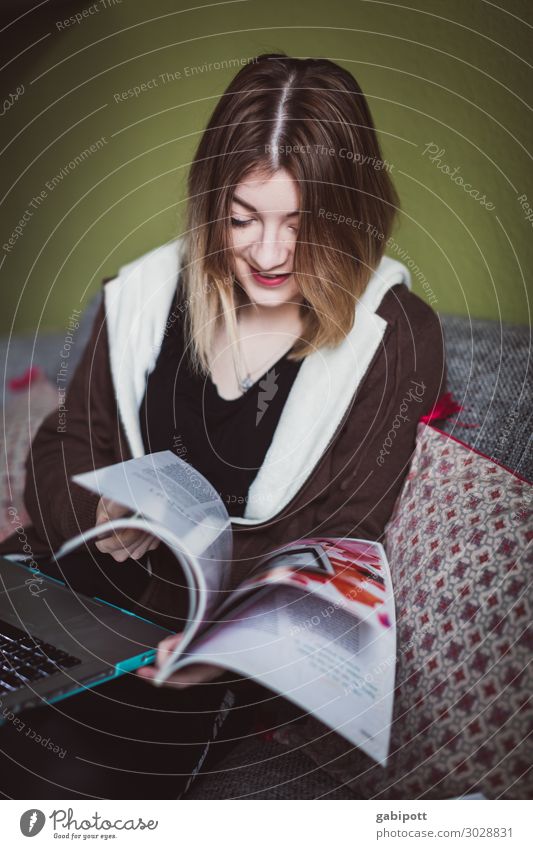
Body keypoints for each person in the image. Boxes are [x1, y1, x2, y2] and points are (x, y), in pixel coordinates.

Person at [0, 53, 447, 798]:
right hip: (58, 592)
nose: (268, 256)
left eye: (300, 225)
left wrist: (230, 654)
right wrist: (101, 509)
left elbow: (341, 540)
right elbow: (62, 447)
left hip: (181, 661)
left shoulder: (394, 334)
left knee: (61, 784)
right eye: (242, 220)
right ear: (213, 205)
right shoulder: (143, 294)